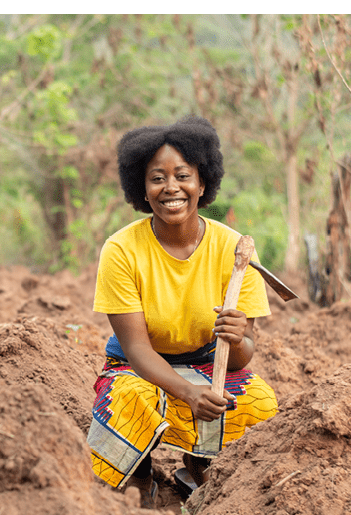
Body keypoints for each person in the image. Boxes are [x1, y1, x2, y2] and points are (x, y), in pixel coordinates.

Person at [86, 115, 279, 507]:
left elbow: (242, 358)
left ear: (202, 183)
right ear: (142, 188)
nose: (171, 187)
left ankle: (201, 466)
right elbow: (138, 351)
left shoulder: (235, 250)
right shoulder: (122, 250)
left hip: (207, 364)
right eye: (157, 178)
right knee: (125, 398)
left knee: (260, 401)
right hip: (137, 368)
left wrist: (237, 335)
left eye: (183, 175)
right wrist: (190, 393)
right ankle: (136, 477)